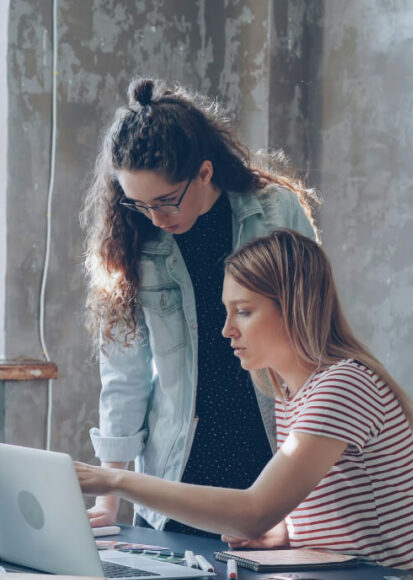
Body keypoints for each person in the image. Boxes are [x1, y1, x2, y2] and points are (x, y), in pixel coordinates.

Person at [77, 229, 413, 576]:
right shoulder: (288, 394)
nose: (227, 330)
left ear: (294, 307)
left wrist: (114, 479)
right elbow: (339, 506)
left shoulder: (344, 386)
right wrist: (288, 532)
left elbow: (253, 512)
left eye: (243, 311)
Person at [82, 78, 318, 537]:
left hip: (269, 454)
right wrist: (108, 498)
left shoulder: (275, 212)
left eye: (166, 201)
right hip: (177, 471)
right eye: (139, 204)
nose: (155, 218)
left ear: (205, 173)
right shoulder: (132, 237)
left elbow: (314, 336)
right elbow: (125, 373)